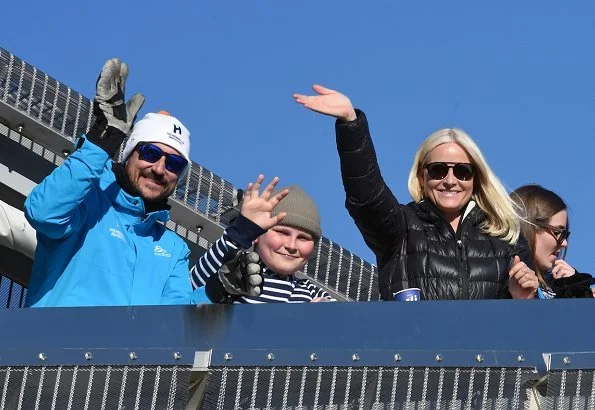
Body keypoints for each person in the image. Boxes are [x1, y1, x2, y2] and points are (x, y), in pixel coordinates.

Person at [293, 85, 538, 301]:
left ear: (477, 179)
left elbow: (527, 333)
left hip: (485, 354)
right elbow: (367, 198)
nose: (450, 181)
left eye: (462, 172)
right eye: (438, 170)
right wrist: (351, 124)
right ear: (422, 176)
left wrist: (524, 298)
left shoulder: (506, 235)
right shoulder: (401, 228)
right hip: (416, 354)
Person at [24, 58, 195, 307]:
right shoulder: (86, 201)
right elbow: (43, 213)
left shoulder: (173, 249)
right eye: (149, 153)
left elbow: (175, 325)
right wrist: (100, 142)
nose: (159, 169)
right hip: (51, 345)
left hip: (127, 348)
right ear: (128, 155)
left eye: (174, 164)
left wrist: (215, 290)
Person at [190, 175, 333, 303]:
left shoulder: (311, 293)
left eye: (303, 238)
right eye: (282, 232)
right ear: (258, 233)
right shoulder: (236, 272)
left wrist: (322, 314)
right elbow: (191, 286)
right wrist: (242, 230)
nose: (291, 245)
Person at [511, 184, 594, 298]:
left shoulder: (562, 282)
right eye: (557, 233)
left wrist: (577, 290)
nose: (564, 243)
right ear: (529, 227)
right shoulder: (501, 283)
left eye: (565, 235)